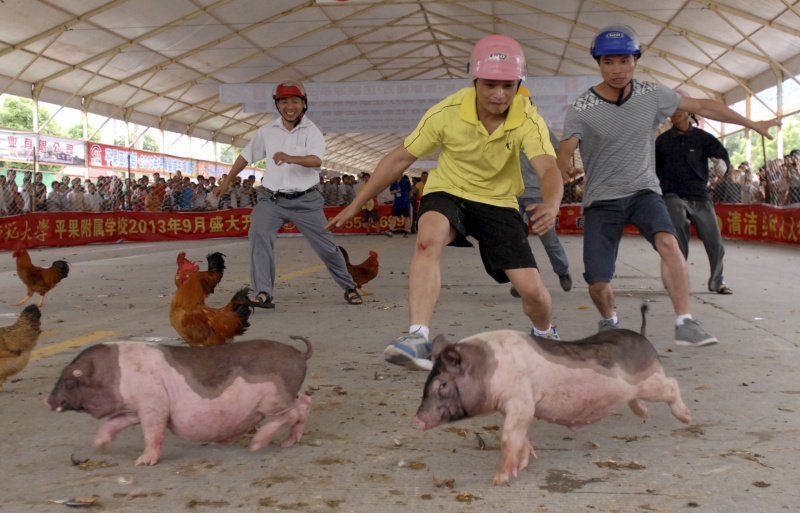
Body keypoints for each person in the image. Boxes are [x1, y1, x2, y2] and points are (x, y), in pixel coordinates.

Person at [327, 34, 563, 370]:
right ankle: (418, 338)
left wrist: (552, 204)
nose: (499, 94)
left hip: (498, 202)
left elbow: (548, 168)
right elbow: (400, 158)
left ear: (519, 84)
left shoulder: (527, 117)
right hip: (449, 190)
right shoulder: (447, 112)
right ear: (474, 80)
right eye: (490, 85)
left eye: (508, 86)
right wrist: (357, 203)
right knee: (427, 240)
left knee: (532, 291)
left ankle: (545, 333)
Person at [557, 24, 779, 346]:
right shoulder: (583, 107)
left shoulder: (652, 95)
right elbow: (566, 148)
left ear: (635, 60)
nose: (617, 70)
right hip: (602, 200)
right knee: (598, 282)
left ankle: (685, 321)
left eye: (624, 61)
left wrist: (751, 122)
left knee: (669, 243)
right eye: (608, 62)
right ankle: (609, 320)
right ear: (599, 64)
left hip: (644, 191)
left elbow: (703, 105)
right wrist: (564, 166)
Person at [214, 79, 362, 308]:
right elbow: (245, 156)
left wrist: (290, 157)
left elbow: (316, 160)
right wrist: (226, 182)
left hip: (306, 201)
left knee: (326, 246)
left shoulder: (312, 131)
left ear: (303, 103)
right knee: (259, 236)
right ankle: (263, 292)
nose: (289, 106)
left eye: (294, 101)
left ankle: (349, 286)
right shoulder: (267, 131)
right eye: (284, 102)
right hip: (271, 199)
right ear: (277, 105)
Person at [655, 90, 733, 296]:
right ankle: (677, 280)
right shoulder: (662, 141)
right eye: (672, 108)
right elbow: (655, 169)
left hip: (700, 195)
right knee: (678, 236)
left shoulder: (703, 138)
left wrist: (722, 164)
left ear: (690, 110)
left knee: (715, 242)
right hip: (673, 194)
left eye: (680, 107)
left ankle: (717, 282)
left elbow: (722, 156)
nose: (675, 112)